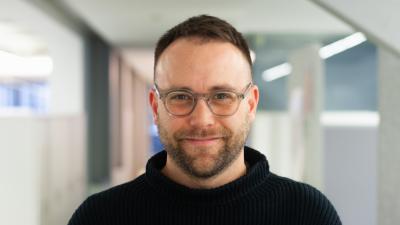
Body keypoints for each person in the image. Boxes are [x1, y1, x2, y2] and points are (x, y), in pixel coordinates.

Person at [68, 15, 341, 225]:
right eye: (180, 96)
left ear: (251, 104)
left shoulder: (306, 214)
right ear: (155, 106)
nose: (201, 120)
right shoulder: (100, 217)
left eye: (222, 95)